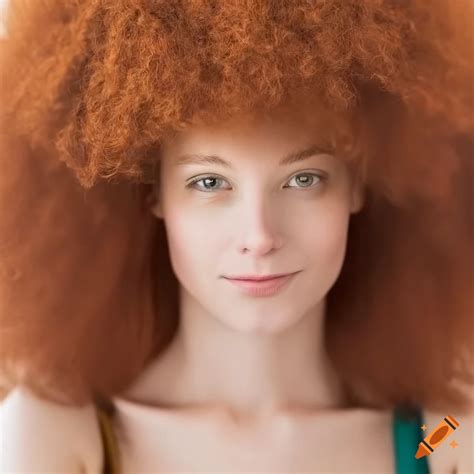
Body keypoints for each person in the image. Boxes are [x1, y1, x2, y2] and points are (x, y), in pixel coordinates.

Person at [0, 1, 472, 472]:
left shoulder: (435, 438)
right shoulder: (67, 436)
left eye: (303, 179)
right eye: (209, 182)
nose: (259, 235)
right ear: (153, 194)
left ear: (357, 183)